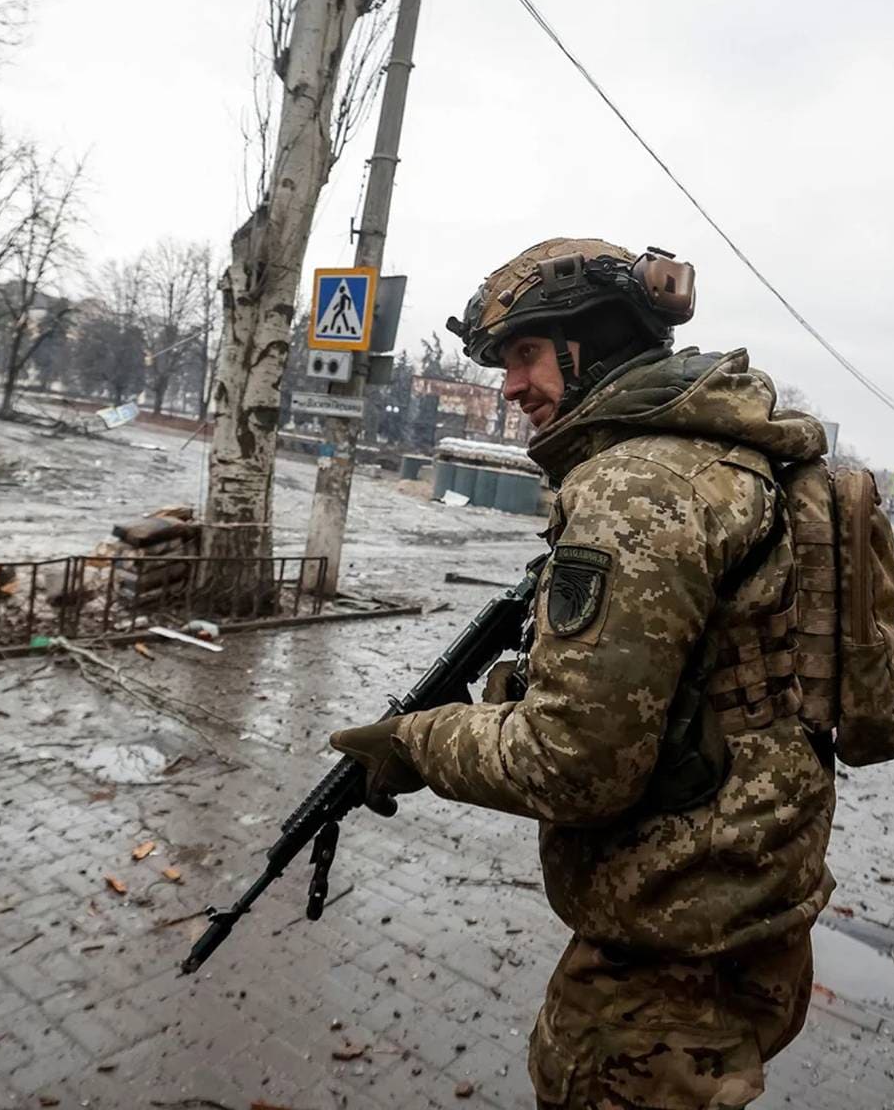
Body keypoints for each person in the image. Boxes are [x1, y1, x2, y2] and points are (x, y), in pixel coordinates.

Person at [329, 238, 836, 1108]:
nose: (510, 386)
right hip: (750, 900)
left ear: (592, 342)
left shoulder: (637, 487)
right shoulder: (730, 456)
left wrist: (416, 742)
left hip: (669, 949)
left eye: (525, 354)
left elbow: (575, 766)